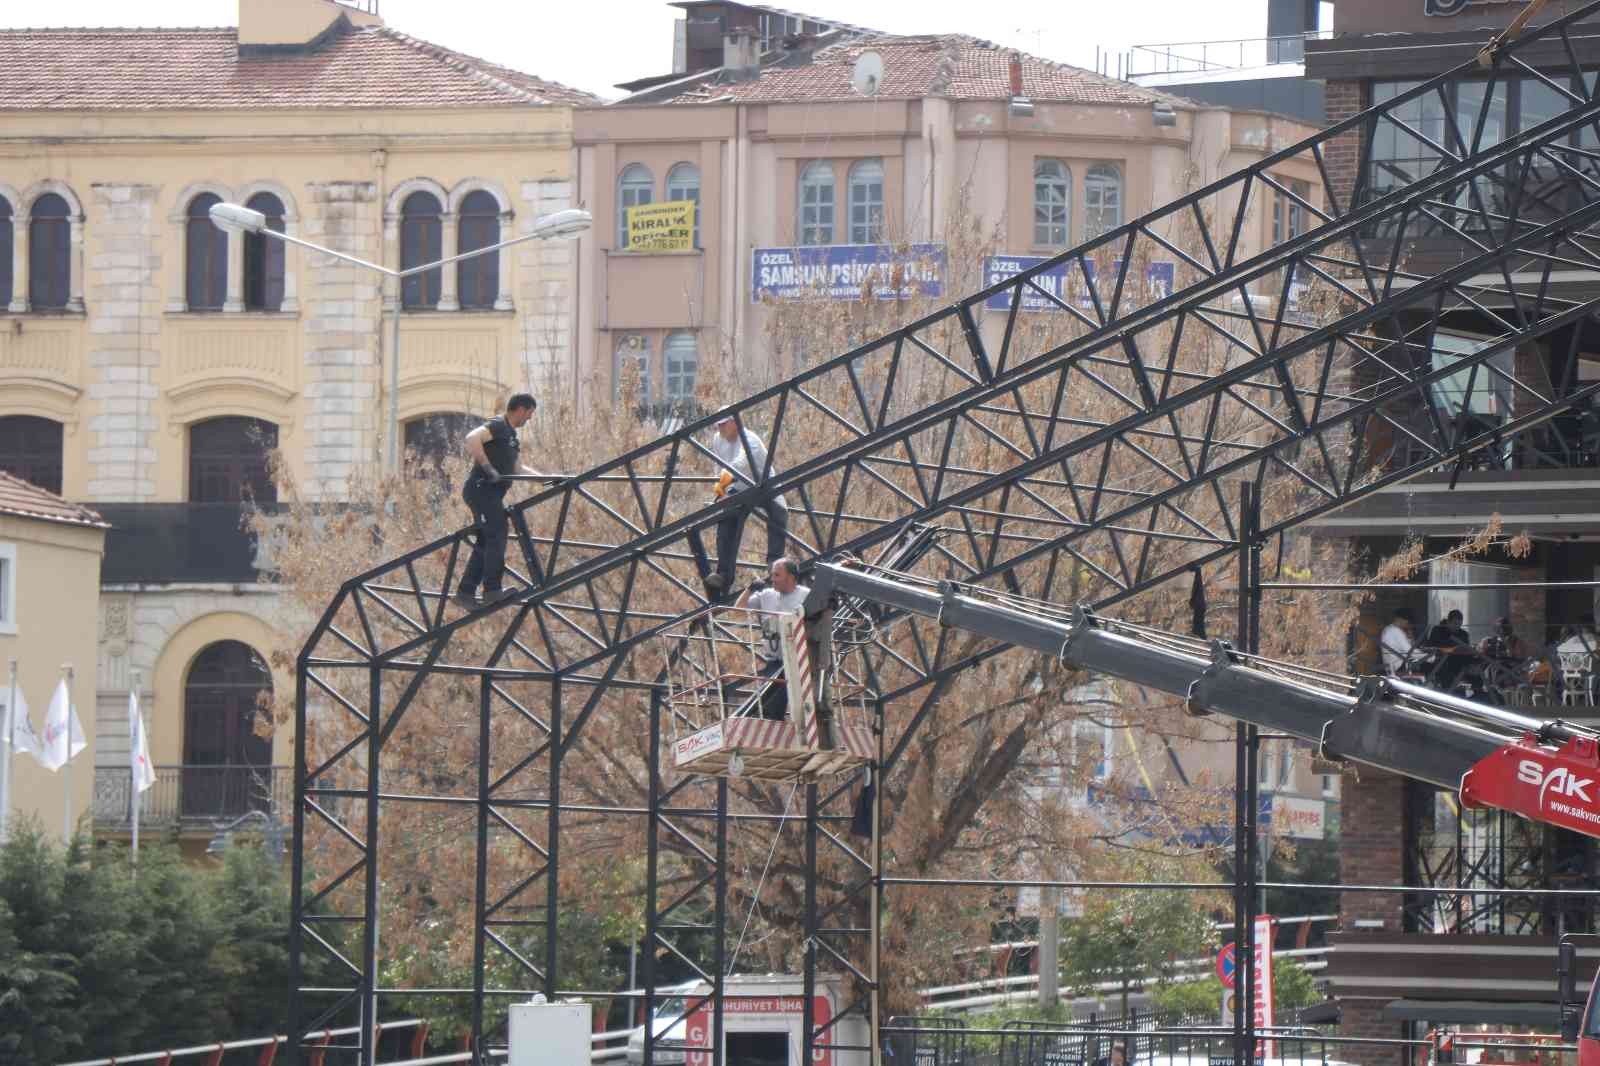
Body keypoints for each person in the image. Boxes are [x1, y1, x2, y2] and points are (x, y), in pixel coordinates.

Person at [452, 394, 551, 610]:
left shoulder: (511, 437)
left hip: (490, 494)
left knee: (486, 541)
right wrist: (488, 468)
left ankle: (466, 592)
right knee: (497, 533)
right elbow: (471, 438)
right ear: (521, 409)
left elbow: (517, 469)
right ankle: (492, 590)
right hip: (481, 490)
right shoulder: (498, 425)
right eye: (530, 413)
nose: (530, 419)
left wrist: (546, 479)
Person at [707, 412, 789, 597]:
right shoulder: (718, 440)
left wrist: (724, 478)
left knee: (779, 513)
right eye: (718, 425)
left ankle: (774, 563)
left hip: (764, 484)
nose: (720, 429)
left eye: (724, 424)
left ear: (735, 423)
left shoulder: (750, 439)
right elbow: (717, 463)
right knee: (727, 520)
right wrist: (719, 486)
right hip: (740, 487)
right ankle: (723, 575)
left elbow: (742, 462)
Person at [735, 557, 810, 720]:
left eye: (777, 575)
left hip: (801, 659)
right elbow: (738, 611)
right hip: (775, 660)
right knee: (770, 705)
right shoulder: (767, 595)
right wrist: (750, 589)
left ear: (790, 577)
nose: (772, 579)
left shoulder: (806, 596)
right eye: (772, 575)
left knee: (808, 704)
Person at [1424, 609, 1475, 690]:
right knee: (1444, 665)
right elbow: (1430, 647)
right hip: (1441, 660)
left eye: (1459, 624)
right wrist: (1450, 649)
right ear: (1448, 622)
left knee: (1475, 663)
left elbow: (1466, 649)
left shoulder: (1463, 634)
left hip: (1459, 660)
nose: (1457, 627)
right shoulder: (1437, 630)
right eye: (1455, 624)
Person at [1379, 607, 1417, 675]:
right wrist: (1431, 658)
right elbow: (1410, 650)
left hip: (1393, 665)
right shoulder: (1395, 631)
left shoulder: (1390, 629)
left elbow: (1410, 647)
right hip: (1397, 667)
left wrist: (1410, 635)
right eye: (1407, 621)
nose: (1407, 623)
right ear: (1401, 619)